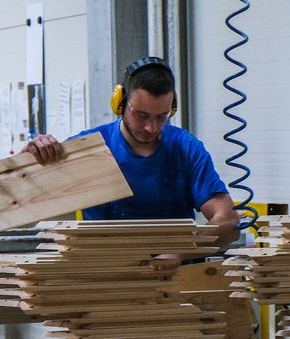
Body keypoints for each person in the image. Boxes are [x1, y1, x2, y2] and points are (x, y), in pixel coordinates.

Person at [23, 57, 239, 264]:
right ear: (120, 102)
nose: (151, 128)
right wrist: (31, 156)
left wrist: (182, 251)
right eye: (142, 115)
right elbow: (22, 196)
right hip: (107, 281)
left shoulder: (186, 148)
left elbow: (227, 222)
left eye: (161, 117)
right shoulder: (91, 149)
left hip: (176, 281)